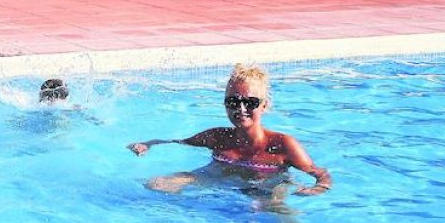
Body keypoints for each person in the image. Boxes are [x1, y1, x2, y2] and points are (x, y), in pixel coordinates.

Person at [127, 63, 332, 197]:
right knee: (156, 184)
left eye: (250, 102)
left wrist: (318, 188)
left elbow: (320, 174)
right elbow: (175, 141)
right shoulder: (218, 137)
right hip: (215, 180)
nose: (240, 109)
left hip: (265, 188)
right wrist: (147, 144)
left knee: (276, 218)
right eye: (233, 101)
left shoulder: (283, 144)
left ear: (265, 105)